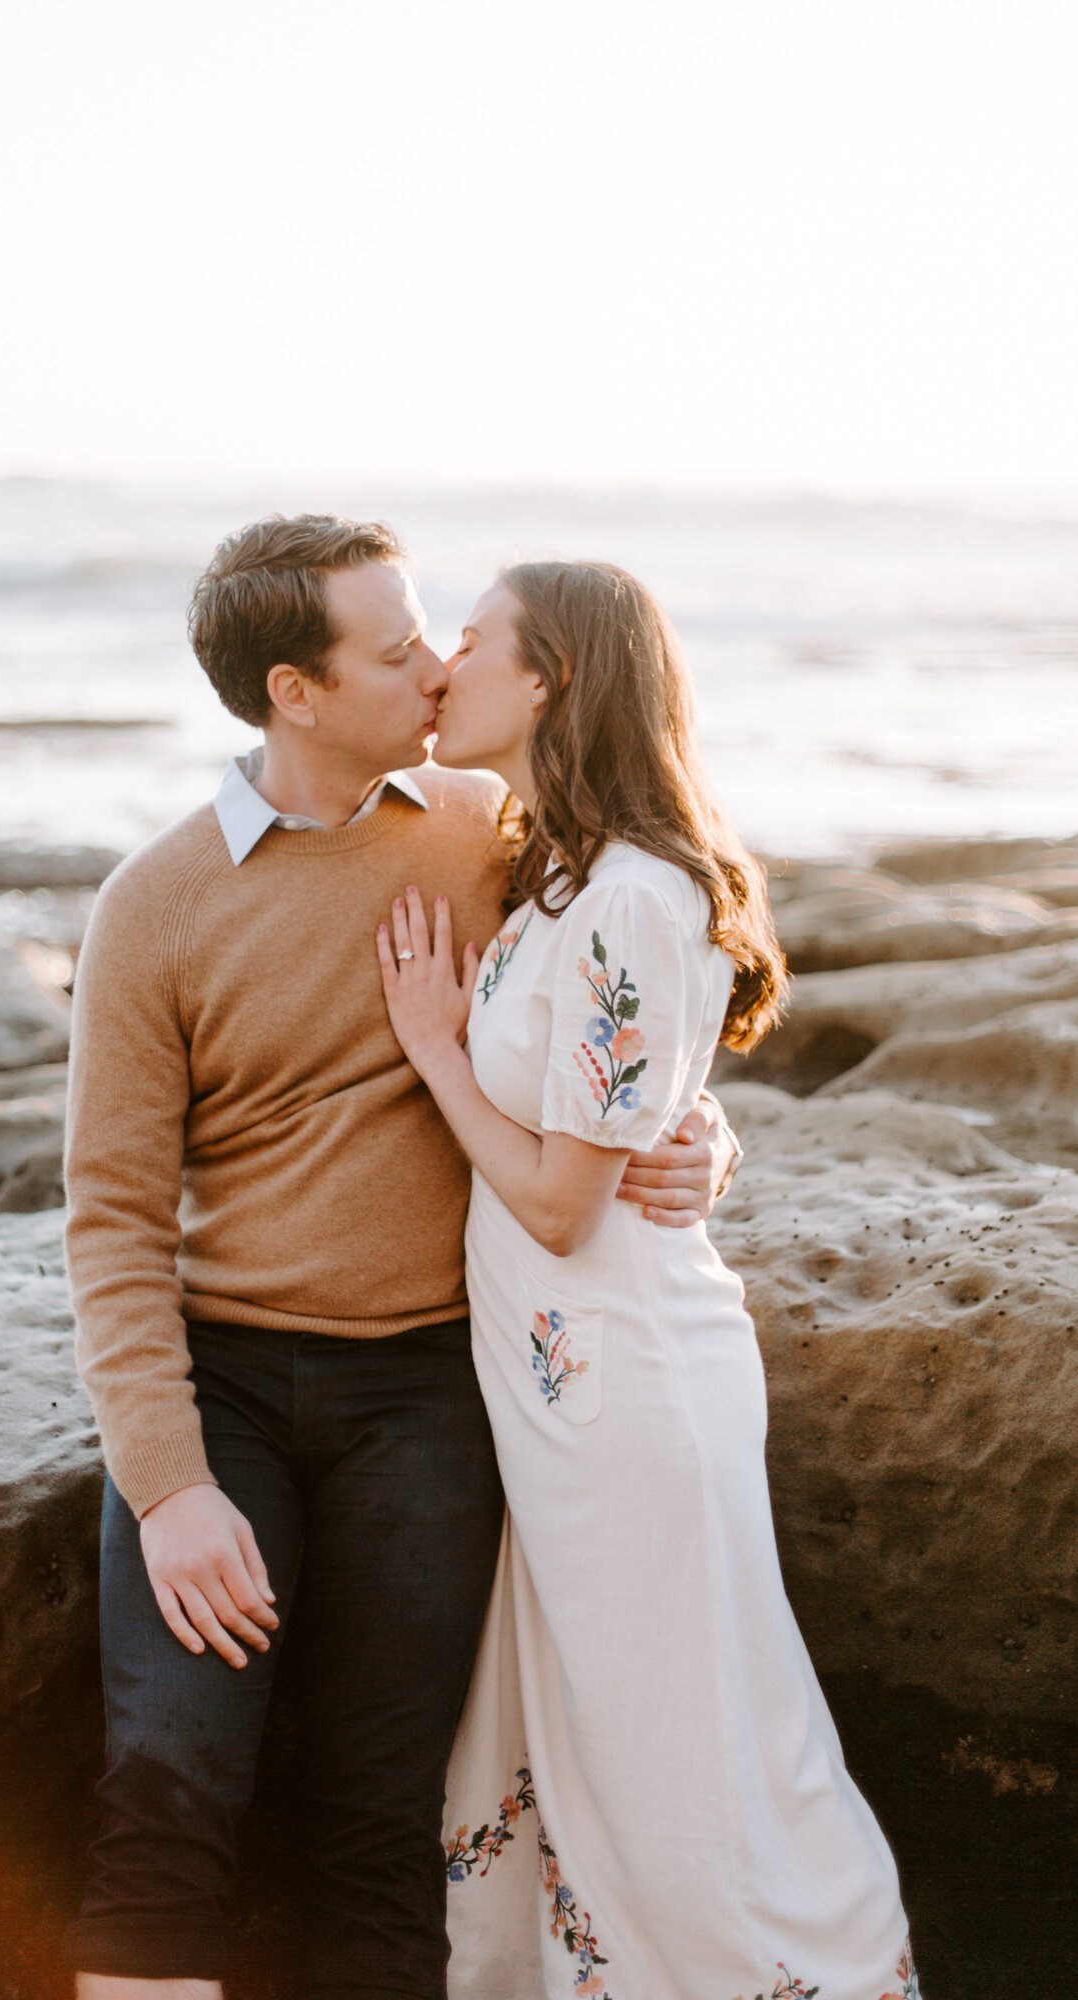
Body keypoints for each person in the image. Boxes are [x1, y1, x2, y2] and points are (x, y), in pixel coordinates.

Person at [61, 515, 740, 2000]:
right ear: (294, 691)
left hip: (425, 1395)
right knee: (167, 1797)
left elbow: (625, 1009)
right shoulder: (151, 907)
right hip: (223, 1389)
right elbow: (109, 1222)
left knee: (382, 1826)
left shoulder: (479, 833)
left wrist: (698, 1139)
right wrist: (169, 1487)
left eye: (436, 633)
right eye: (393, 648)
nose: (436, 665)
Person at [375, 559, 919, 2000]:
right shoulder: (549, 868)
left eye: (473, 641)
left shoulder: (631, 895)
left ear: (548, 675)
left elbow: (559, 1201)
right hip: (567, 1386)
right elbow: (613, 1103)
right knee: (605, 1732)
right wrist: (696, 1130)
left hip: (622, 1383)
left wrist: (431, 1045)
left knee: (688, 1747)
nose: (442, 666)